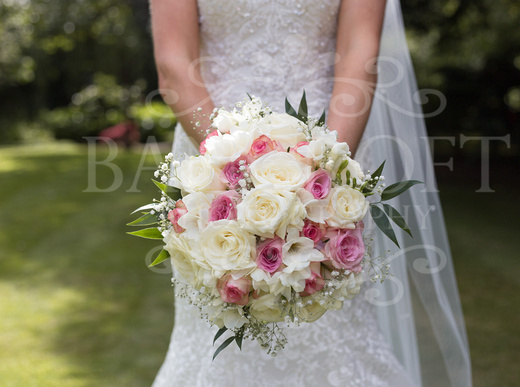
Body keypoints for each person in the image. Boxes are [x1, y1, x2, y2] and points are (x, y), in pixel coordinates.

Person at [149, 1, 472, 386]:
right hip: (212, 145)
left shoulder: (329, 166)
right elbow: (174, 62)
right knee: (221, 314)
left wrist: (325, 171)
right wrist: (231, 170)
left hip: (333, 139)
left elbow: (359, 50)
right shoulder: (220, 165)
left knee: (335, 322)